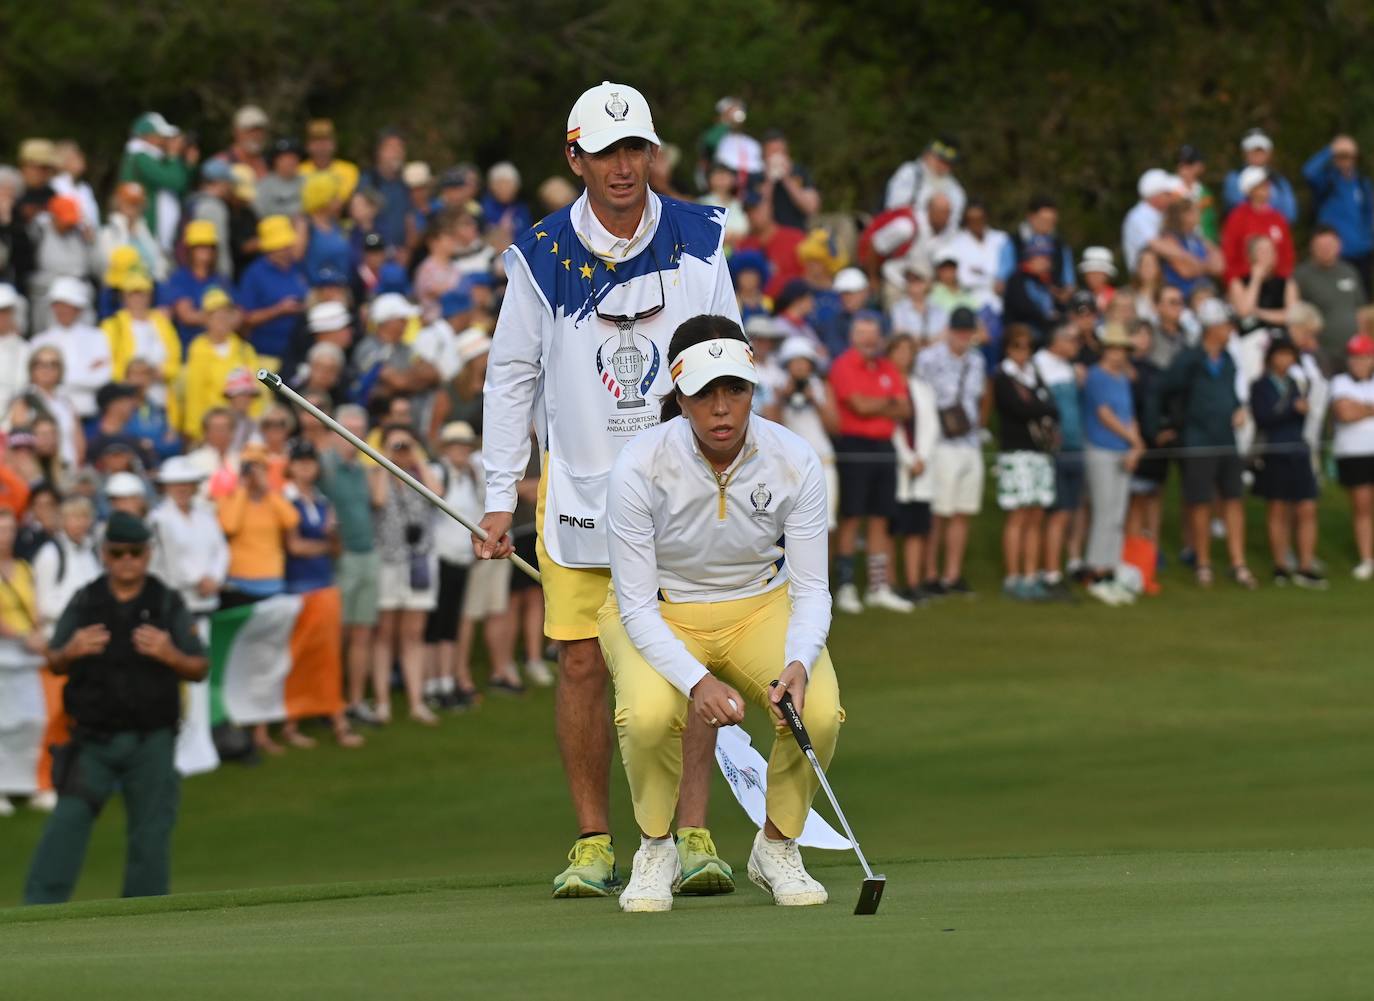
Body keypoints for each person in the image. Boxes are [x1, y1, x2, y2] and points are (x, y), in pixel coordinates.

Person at [475, 81, 740, 899]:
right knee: (583, 664)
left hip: (683, 485)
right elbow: (509, 375)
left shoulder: (700, 237)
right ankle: (594, 840)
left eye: (636, 150)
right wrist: (495, 493)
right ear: (574, 156)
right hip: (580, 490)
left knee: (688, 657)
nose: (624, 167)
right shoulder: (541, 254)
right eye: (605, 151)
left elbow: (727, 350)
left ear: (652, 154)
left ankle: (693, 834)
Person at [601, 315, 840, 912]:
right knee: (651, 717)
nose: (722, 407)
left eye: (734, 388)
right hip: (660, 611)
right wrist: (697, 682)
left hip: (761, 604)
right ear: (679, 397)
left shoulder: (794, 457)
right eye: (705, 392)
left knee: (820, 713)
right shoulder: (639, 464)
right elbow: (633, 602)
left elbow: (811, 587)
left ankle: (777, 844)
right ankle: (656, 847)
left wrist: (800, 661)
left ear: (753, 389)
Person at [23, 511, 207, 904]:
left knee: (151, 833)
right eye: (118, 552)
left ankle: (145, 918)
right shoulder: (86, 599)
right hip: (93, 740)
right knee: (66, 823)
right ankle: (36, 913)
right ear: (105, 554)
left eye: (135, 552)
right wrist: (70, 650)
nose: (127, 561)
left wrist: (170, 653)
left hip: (151, 739)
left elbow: (199, 666)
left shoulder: (165, 601)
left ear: (148, 554)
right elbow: (54, 662)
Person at [1161, 299, 1255, 588]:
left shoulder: (1228, 359)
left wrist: (1238, 408)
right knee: (1200, 502)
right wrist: (1171, 426)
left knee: (1233, 499)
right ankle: (1203, 562)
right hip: (1198, 439)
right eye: (1226, 324)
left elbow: (1230, 393)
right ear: (1212, 327)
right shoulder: (1188, 359)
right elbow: (1167, 391)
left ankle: (1238, 562)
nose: (1229, 330)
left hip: (1225, 439)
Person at [828, 312, 913, 613]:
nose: (868, 339)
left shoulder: (887, 367)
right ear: (853, 336)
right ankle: (847, 586)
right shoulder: (843, 364)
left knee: (880, 516)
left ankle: (878, 587)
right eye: (863, 333)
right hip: (854, 445)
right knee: (852, 516)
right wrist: (886, 404)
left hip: (884, 446)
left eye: (872, 334)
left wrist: (879, 405)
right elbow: (858, 406)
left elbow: (904, 409)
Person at [318, 405, 384, 725]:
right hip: (341, 558)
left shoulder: (361, 469)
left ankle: (356, 701)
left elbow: (378, 502)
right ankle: (333, 702)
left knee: (362, 633)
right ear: (334, 432)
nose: (352, 438)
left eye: (359, 431)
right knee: (338, 634)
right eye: (347, 430)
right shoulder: (324, 468)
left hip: (367, 553)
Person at [370, 423, 440, 726]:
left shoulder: (420, 476)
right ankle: (382, 702)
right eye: (396, 446)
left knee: (414, 634)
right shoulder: (377, 475)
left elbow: (438, 494)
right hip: (389, 561)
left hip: (418, 561)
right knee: (385, 634)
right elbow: (379, 500)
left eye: (406, 445)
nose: (402, 452)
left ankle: (416, 701)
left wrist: (417, 457)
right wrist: (387, 460)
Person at [917, 307, 987, 596]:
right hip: (941, 443)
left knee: (963, 511)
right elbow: (919, 398)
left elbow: (980, 398)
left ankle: (952, 574)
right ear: (949, 329)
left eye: (967, 331)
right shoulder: (929, 358)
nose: (962, 336)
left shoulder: (977, 361)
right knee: (939, 513)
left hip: (970, 441)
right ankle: (930, 573)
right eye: (958, 330)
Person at [1250, 337, 1325, 588]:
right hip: (1275, 453)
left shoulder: (1298, 384)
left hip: (1298, 452)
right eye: (1280, 355)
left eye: (1289, 355)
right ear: (1271, 357)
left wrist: (1300, 410)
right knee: (1278, 509)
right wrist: (1291, 410)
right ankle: (1280, 565)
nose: (1285, 360)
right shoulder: (1260, 385)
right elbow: (1263, 418)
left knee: (1306, 508)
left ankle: (1305, 565)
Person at [992, 325, 1058, 601]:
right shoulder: (1003, 377)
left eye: (1027, 347)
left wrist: (1039, 408)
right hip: (1016, 451)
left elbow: (1051, 407)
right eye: (1018, 346)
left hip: (1038, 452)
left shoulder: (1034, 374)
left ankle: (1031, 575)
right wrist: (1040, 408)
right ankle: (1013, 576)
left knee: (1036, 514)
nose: (1023, 352)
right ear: (1008, 348)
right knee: (1017, 515)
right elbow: (1017, 409)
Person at [1080, 324, 1144, 605]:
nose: (1118, 354)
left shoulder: (1121, 378)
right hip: (1102, 449)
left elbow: (1129, 415)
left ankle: (1110, 569)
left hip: (1122, 450)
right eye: (1114, 348)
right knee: (1104, 512)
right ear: (1105, 349)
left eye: (1122, 349)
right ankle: (1096, 571)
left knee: (1118, 514)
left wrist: (1136, 444)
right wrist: (1133, 440)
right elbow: (1105, 415)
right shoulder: (1096, 376)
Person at [425, 421, 484, 710]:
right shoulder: (439, 472)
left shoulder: (469, 476)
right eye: (455, 446)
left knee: (450, 622)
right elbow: (433, 496)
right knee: (435, 623)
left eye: (464, 446)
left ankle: (446, 682)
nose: (460, 451)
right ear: (446, 449)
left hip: (461, 559)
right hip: (440, 557)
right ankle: (432, 684)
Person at [0, 507, 46, 817]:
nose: (6, 537)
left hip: (28, 655)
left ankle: (27, 784)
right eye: (1, 530)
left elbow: (36, 607)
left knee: (32, 720)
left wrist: (38, 633)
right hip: (5, 652)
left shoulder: (24, 568)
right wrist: (21, 636)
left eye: (10, 530)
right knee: (3, 723)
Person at [888, 333, 938, 602]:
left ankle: (914, 582)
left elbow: (931, 425)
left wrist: (922, 457)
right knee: (892, 527)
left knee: (917, 527)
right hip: (898, 464)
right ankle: (890, 582)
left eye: (909, 351)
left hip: (921, 465)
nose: (904, 356)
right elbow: (892, 427)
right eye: (899, 350)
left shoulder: (922, 387)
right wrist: (908, 458)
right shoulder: (885, 384)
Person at [217, 444, 299, 600]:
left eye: (259, 467)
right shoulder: (230, 497)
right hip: (239, 578)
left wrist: (267, 488)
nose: (253, 473)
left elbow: (292, 520)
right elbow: (229, 527)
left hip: (271, 578)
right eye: (249, 467)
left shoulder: (273, 499)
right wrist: (242, 488)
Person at [180, 289, 258, 439]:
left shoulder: (244, 349)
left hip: (241, 428)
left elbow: (254, 391)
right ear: (206, 319)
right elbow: (195, 393)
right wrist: (195, 430)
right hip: (210, 428)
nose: (221, 320)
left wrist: (253, 426)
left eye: (225, 314)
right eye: (215, 316)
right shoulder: (198, 349)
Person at [31, 276, 110, 424]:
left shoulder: (98, 337)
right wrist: (85, 371)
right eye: (58, 305)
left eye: (68, 305)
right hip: (51, 418)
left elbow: (103, 377)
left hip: (89, 413)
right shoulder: (39, 341)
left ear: (78, 308)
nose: (62, 310)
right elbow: (36, 381)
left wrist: (58, 378)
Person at [1302, 136, 1374, 291]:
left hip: (1362, 254)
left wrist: (1368, 242)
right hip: (1334, 254)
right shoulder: (1327, 181)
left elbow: (1369, 215)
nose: (1345, 161)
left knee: (1361, 299)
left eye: (1349, 156)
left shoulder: (1362, 183)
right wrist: (1331, 149)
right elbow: (1308, 172)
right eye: (1341, 156)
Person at [116, 112, 195, 251]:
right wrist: (174, 155)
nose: (166, 140)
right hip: (145, 234)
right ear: (148, 137)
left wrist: (187, 165)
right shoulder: (140, 156)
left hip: (152, 236)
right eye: (162, 136)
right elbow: (176, 181)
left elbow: (182, 184)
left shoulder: (151, 157)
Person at [1330, 333, 1374, 580]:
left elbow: (1352, 409)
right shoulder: (1339, 382)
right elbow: (1344, 413)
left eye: (1363, 357)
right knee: (1362, 507)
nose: (1358, 362)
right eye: (1354, 357)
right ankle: (1367, 559)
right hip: (1352, 453)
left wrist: (1361, 408)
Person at [238, 215, 307, 366]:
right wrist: (279, 310)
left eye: (287, 245)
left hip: (297, 354)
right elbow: (245, 318)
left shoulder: (297, 268)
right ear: (269, 249)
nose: (285, 250)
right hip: (266, 355)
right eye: (280, 246)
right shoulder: (254, 274)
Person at [1293, 227, 1364, 364]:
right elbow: (1295, 314)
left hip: (1352, 352)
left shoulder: (1349, 271)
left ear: (1339, 246)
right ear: (1312, 247)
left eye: (1330, 245)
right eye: (1321, 246)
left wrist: (1363, 340)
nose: (1326, 249)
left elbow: (1360, 310)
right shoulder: (1301, 275)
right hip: (1320, 351)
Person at [11, 345, 84, 471]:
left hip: (68, 469)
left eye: (53, 364)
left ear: (60, 370)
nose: (47, 369)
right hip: (40, 471)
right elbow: (21, 446)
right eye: (40, 364)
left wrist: (77, 467)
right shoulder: (23, 401)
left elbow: (78, 441)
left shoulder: (66, 403)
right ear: (31, 369)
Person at [1222, 167, 1296, 288]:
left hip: (1276, 282)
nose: (1266, 188)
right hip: (1246, 282)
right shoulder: (1237, 217)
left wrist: (1282, 277)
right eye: (1261, 185)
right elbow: (1229, 254)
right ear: (1250, 190)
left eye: (1267, 184)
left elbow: (1288, 253)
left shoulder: (1278, 218)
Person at [1223, 128, 1298, 222]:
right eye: (1253, 150)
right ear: (1244, 153)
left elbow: (1290, 214)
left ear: (1269, 153)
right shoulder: (1234, 177)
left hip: (1272, 230)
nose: (1257, 154)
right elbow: (1235, 204)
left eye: (1261, 151)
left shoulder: (1279, 181)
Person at [884, 136, 965, 222]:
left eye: (947, 162)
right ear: (927, 154)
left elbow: (952, 225)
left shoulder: (956, 191)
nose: (942, 165)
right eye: (939, 159)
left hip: (938, 234)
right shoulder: (909, 173)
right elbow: (894, 210)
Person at [98, 182, 167, 283]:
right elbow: (105, 267)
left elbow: (159, 263)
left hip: (149, 286)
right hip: (120, 287)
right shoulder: (108, 233)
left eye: (136, 203)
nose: (132, 207)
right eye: (127, 202)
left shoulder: (146, 231)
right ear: (118, 203)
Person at [1122, 169, 1180, 275]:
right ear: (1155, 196)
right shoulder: (1139, 216)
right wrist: (1189, 257)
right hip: (1143, 279)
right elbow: (1156, 245)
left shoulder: (1161, 214)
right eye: (1167, 194)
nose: (1171, 197)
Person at [298, 119, 360, 207]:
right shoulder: (298, 171)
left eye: (325, 140)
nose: (321, 145)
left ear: (334, 144)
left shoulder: (349, 170)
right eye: (316, 141)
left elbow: (342, 201)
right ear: (307, 145)